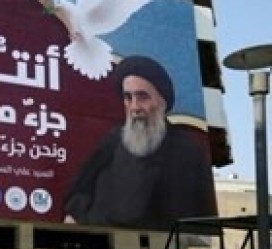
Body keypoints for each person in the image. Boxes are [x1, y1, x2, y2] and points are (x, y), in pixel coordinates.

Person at [63, 55, 217, 230]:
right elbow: (77, 192)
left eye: (143, 97)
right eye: (128, 98)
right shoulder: (113, 140)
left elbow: (203, 219)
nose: (135, 107)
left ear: (162, 102)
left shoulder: (188, 151)